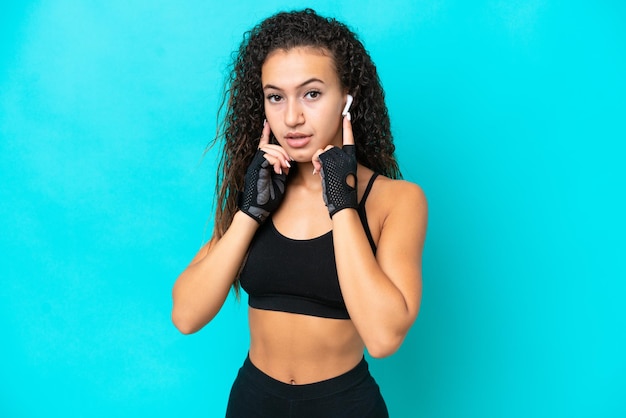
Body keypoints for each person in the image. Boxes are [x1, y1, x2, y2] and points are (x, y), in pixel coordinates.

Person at [171, 8, 427, 417]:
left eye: (311, 93)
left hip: (344, 405)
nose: (292, 117)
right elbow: (185, 315)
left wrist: (342, 202)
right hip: (254, 401)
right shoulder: (261, 185)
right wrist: (249, 213)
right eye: (276, 97)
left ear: (347, 99)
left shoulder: (396, 200)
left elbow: (383, 339)